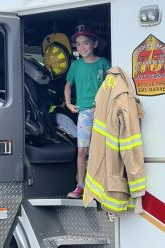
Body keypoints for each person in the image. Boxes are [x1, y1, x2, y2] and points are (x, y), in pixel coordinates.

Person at [64, 25, 110, 199]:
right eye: (78, 44)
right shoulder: (76, 66)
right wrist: (68, 103)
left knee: (102, 149)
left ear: (95, 44)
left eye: (86, 43)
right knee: (82, 150)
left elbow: (110, 86)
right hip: (84, 113)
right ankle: (80, 185)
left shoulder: (103, 63)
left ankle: (103, 184)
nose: (82, 47)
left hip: (101, 112)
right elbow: (68, 85)